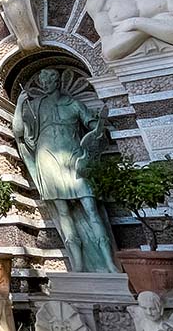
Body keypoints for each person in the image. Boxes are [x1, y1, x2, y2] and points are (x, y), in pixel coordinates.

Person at [12, 68, 116, 272]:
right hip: (47, 159)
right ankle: (77, 264)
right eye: (43, 81)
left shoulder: (74, 104)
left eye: (50, 80)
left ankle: (109, 261)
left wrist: (98, 129)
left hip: (74, 158)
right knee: (63, 213)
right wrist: (19, 105)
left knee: (92, 209)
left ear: (58, 81)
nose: (46, 84)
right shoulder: (36, 106)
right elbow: (19, 132)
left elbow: (96, 129)